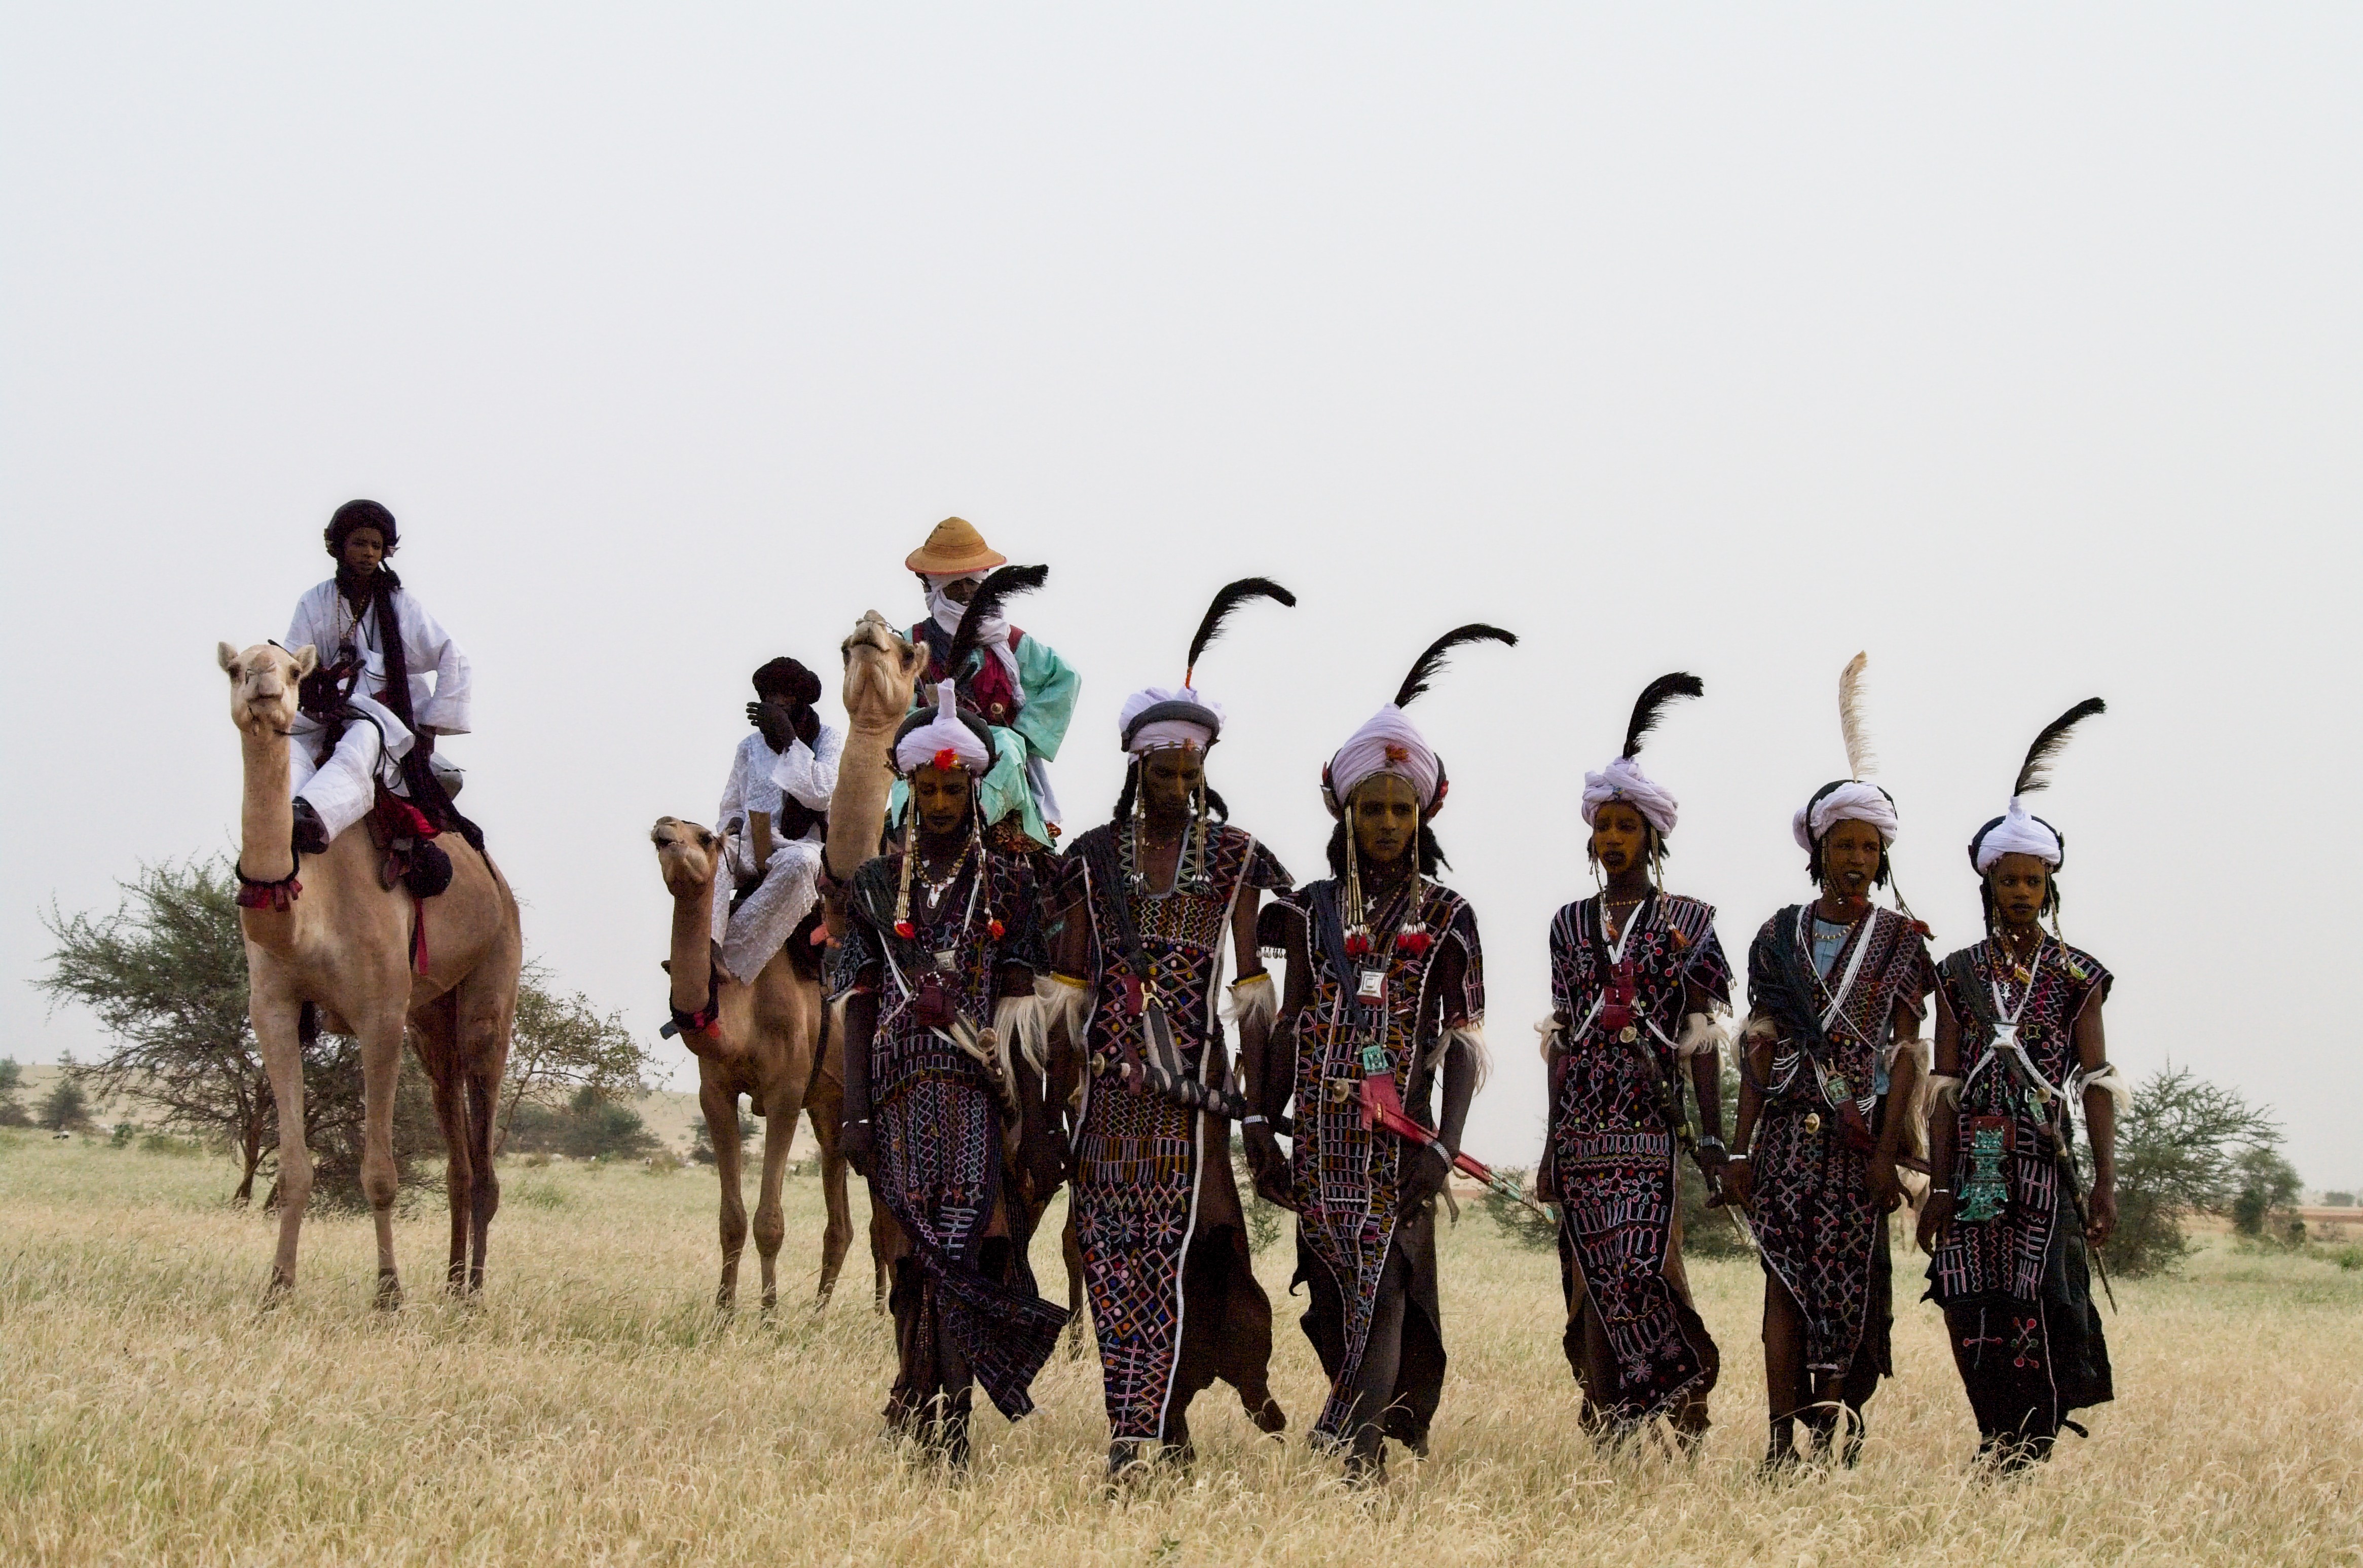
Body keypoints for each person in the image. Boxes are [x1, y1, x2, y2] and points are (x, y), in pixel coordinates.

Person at [1245, 625, 1513, 1483]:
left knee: (1387, 1283)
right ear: (1348, 810)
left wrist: (1442, 1141)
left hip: (1400, 1140)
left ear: (1424, 812)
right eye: (1375, 807)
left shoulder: (1450, 915)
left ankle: (1356, 1453)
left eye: (1403, 808)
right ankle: (1354, 1428)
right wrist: (1260, 1125)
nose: (1390, 822)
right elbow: (1288, 1025)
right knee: (1333, 1289)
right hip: (1319, 1135)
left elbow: (1465, 1040)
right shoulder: (1307, 906)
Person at [1048, 580, 1297, 1479]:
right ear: (1135, 768)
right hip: (1109, 1101)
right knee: (1111, 1262)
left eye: (1192, 776)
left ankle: (1160, 1420)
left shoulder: (1232, 859)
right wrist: (1050, 1102)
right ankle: (1131, 1429)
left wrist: (1262, 1114)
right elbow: (1067, 992)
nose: (1180, 791)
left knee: (1186, 1256)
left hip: (1193, 1100)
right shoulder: (1090, 859)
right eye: (1165, 775)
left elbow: (1254, 988)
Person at [836, 681, 1067, 1468]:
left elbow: (1019, 1018)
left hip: (974, 1099)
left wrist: (1035, 1125)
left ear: (975, 788)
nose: (938, 801)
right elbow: (859, 1005)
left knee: (968, 1255)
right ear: (909, 788)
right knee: (908, 1262)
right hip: (897, 1097)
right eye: (926, 788)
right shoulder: (872, 886)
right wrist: (855, 1113)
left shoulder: (1010, 885)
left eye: (952, 788)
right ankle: (916, 1396)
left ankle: (952, 1425)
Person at [1723, 653, 1934, 1473]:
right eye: (1842, 844)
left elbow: (1910, 1054)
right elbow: (1759, 1041)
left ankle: (1833, 1432)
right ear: (1817, 850)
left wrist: (1887, 1151)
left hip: (1856, 1154)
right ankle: (1779, 1438)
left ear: (1881, 855)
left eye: (1868, 846)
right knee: (1782, 1283)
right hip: (1783, 1140)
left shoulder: (1902, 943)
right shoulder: (1777, 936)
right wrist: (1740, 1148)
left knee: (1847, 1293)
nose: (1855, 858)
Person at [1919, 698, 2119, 1471]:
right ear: (1989, 882)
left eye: (2033, 880)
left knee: (2040, 1303)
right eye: (2009, 879)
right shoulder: (1958, 974)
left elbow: (2096, 1081)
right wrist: (1938, 1184)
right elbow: (1940, 1085)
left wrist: (2104, 1178)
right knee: (1971, 1303)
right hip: (1975, 1162)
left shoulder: (2077, 978)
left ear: (2049, 885)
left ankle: (2025, 1446)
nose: (2021, 892)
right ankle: (1992, 1430)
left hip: (2041, 1163)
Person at [1536, 673, 1730, 1445]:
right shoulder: (1566, 924)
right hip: (1582, 1129)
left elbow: (1702, 1038)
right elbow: (1558, 1038)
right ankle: (1608, 1425)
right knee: (1589, 1281)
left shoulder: (1689, 921)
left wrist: (1713, 1141)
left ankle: (1683, 1418)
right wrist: (1551, 1142)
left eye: (1627, 826)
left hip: (1650, 1129)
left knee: (1652, 1272)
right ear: (1591, 836)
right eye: (1603, 826)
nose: (1613, 838)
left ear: (1653, 835)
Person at [282, 500, 472, 853]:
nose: (368, 553)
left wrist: (430, 726)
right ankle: (282, 815)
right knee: (287, 746)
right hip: (319, 713)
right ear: (339, 547)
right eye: (359, 543)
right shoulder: (314, 601)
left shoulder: (401, 605)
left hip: (379, 717)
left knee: (366, 737)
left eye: (375, 545)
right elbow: (294, 663)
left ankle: (313, 813)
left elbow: (454, 656)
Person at [895, 517, 1079, 851]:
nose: (966, 593)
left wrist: (1025, 733)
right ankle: (901, 825)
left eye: (973, 584)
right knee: (895, 770)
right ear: (933, 588)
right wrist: (920, 724)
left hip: (991, 743)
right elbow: (895, 706)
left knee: (1010, 745)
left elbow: (1066, 679)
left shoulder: (1010, 641)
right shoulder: (909, 644)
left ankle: (981, 814)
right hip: (926, 742)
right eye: (956, 585)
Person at [711, 656, 840, 985]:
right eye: (768, 697)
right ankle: (706, 946)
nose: (773, 704)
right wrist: (731, 832)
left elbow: (822, 793)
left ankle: (731, 959)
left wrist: (789, 741)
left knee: (800, 863)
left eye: (781, 698)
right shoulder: (749, 748)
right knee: (710, 855)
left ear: (798, 701)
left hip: (801, 848)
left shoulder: (827, 740)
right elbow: (731, 806)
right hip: (752, 845)